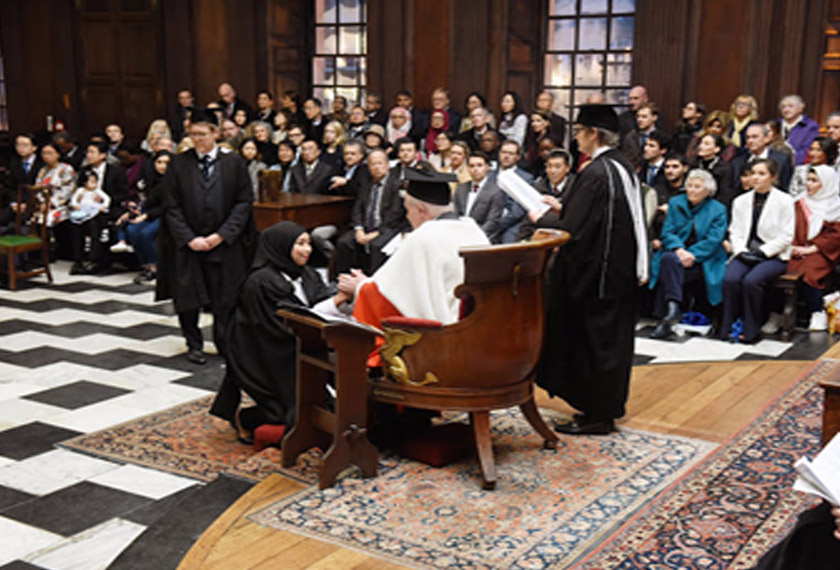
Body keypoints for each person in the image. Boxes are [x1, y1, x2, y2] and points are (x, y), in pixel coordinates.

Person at [533, 104, 648, 435]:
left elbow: (574, 230)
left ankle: (598, 415)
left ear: (593, 133)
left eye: (579, 132)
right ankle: (600, 410)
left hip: (597, 278)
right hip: (616, 273)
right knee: (609, 343)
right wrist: (563, 207)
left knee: (595, 343)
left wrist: (543, 218)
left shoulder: (596, 172)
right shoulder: (620, 166)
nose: (577, 138)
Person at [209, 222, 353, 441]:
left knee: (325, 406)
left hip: (298, 346)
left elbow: (319, 303)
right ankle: (246, 418)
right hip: (268, 354)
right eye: (300, 244)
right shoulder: (261, 282)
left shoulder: (307, 274)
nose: (307, 250)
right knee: (291, 416)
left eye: (308, 243)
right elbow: (289, 322)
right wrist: (339, 299)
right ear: (282, 246)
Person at [161, 107, 255, 360]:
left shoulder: (233, 163)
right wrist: (189, 238)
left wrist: (221, 235)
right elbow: (171, 206)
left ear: (215, 133)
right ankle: (193, 344)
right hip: (189, 243)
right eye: (193, 134)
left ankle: (224, 342)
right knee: (187, 296)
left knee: (224, 297)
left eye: (202, 134)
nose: (197, 139)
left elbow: (243, 203)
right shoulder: (179, 163)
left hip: (223, 243)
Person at [343, 167, 490, 329]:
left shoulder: (423, 237)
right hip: (481, 322)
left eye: (407, 210)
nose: (407, 217)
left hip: (446, 331)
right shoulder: (472, 229)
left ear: (421, 210)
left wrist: (360, 286)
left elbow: (388, 292)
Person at [720, 158, 794, 343]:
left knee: (751, 281)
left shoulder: (785, 201)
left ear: (773, 177)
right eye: (753, 173)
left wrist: (763, 252)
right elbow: (735, 231)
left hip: (773, 254)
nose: (755, 178)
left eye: (761, 174)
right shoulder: (740, 200)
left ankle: (751, 329)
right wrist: (740, 251)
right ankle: (728, 326)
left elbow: (786, 236)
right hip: (745, 251)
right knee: (730, 280)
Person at [648, 169, 728, 339]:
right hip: (676, 253)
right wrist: (679, 250)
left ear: (708, 191)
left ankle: (668, 315)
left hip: (704, 259)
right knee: (669, 259)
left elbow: (714, 240)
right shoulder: (676, 202)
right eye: (689, 186)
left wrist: (691, 255)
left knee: (669, 264)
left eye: (697, 187)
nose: (691, 190)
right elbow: (667, 232)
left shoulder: (718, 209)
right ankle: (672, 309)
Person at [332, 149, 407, 276]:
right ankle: (340, 280)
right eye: (373, 164)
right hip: (365, 228)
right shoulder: (366, 185)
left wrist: (375, 233)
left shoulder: (396, 185)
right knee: (344, 242)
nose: (377, 167)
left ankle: (374, 283)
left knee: (376, 245)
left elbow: (395, 214)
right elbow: (357, 209)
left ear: (387, 165)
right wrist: (359, 229)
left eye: (380, 163)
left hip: (387, 228)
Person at [787, 165, 840, 331]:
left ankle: (816, 311)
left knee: (810, 270)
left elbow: (835, 235)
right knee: (783, 267)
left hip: (823, 251)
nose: (808, 184)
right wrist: (794, 246)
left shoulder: (835, 206)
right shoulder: (799, 202)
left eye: (814, 181)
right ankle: (780, 312)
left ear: (827, 183)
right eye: (808, 180)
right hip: (796, 246)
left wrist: (813, 248)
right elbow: (787, 226)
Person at [126, 150, 171, 284]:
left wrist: (146, 215)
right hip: (150, 212)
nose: (162, 166)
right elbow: (146, 200)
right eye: (159, 162)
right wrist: (136, 210)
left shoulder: (175, 181)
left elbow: (169, 205)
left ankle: (154, 267)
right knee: (132, 230)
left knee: (146, 233)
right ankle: (145, 265)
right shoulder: (150, 179)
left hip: (168, 214)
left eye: (166, 163)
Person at [515, 148, 574, 242]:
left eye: (557, 167)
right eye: (549, 166)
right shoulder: (538, 187)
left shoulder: (576, 187)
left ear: (567, 168)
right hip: (539, 236)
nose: (552, 171)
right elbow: (528, 220)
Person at [453, 151, 505, 240]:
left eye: (479, 165)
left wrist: (474, 236)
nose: (475, 169)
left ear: (487, 167)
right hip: (460, 234)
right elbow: (456, 214)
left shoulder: (496, 191)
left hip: (483, 237)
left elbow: (492, 222)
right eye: (471, 166)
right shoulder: (461, 188)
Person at [68, 168, 111, 274]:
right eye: (91, 182)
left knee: (94, 227)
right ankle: (78, 260)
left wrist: (104, 205)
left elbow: (107, 199)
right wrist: (76, 205)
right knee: (75, 228)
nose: (94, 184)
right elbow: (74, 200)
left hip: (94, 212)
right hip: (82, 211)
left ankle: (94, 259)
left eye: (95, 182)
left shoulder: (97, 191)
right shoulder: (80, 191)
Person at [730, 123, 793, 192]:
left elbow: (785, 187)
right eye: (748, 137)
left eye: (755, 137)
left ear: (766, 139)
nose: (750, 141)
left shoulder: (782, 160)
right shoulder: (737, 162)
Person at [694, 134, 735, 208]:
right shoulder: (694, 165)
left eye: (706, 144)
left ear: (717, 149)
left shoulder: (725, 168)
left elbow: (725, 194)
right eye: (700, 143)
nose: (700, 146)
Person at [778, 94, 820, 165]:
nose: (786, 110)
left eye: (791, 106)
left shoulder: (810, 126)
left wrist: (787, 163)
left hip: (797, 165)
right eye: (783, 107)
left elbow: (807, 150)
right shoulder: (776, 124)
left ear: (801, 108)